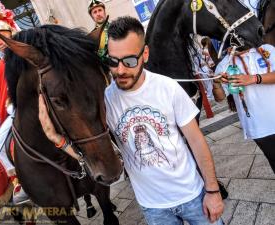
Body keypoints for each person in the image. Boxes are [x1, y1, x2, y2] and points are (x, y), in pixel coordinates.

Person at [39, 16, 224, 225]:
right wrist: (57, 138)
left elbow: (197, 142)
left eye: (129, 61)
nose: (120, 70)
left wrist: (212, 190)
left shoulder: (168, 88)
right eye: (112, 61)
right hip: (153, 208)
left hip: (193, 196)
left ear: (145, 54)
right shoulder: (106, 101)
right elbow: (97, 149)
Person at [0, 20, 29, 204]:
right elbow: (2, 97)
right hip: (15, 113)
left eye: (2, 35)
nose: (0, 41)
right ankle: (20, 181)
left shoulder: (26, 55)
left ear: (11, 33)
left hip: (38, 104)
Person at [217, 44, 275, 173]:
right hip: (259, 126)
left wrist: (253, 78)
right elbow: (219, 98)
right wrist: (216, 84)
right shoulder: (224, 64)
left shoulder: (267, 50)